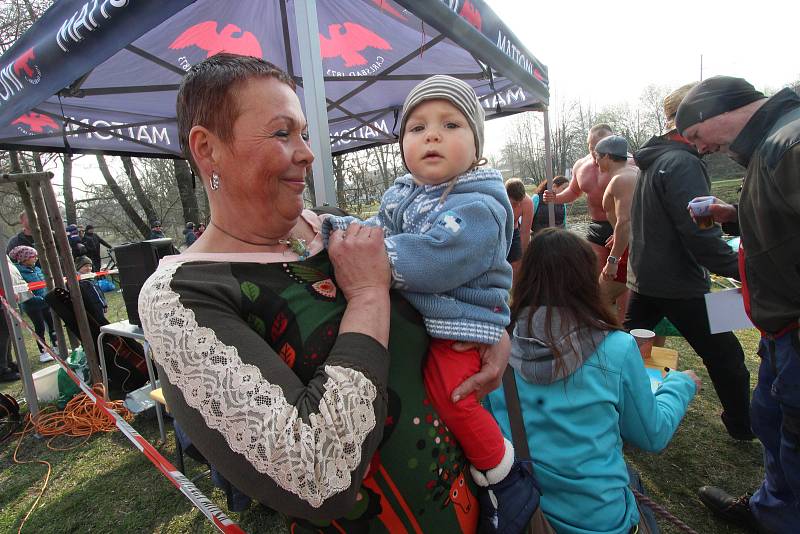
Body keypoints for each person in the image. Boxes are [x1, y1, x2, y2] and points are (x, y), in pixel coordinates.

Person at [138, 54, 508, 532]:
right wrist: (370, 297)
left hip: (472, 509)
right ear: (208, 148)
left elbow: (447, 269)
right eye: (281, 133)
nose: (309, 152)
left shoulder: (332, 229)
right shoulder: (183, 295)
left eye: (305, 133)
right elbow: (317, 477)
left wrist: (493, 328)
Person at [322, 75, 539, 532]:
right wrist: (334, 227)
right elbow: (375, 229)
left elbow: (441, 256)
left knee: (453, 396)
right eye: (416, 128)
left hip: (463, 320)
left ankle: (504, 478)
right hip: (431, 314)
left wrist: (373, 260)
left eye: (451, 125)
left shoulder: (481, 203)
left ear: (477, 146)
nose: (432, 135)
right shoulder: (403, 192)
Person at [486, 228, 700, 534]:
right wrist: (681, 385)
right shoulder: (616, 347)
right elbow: (652, 435)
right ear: (586, 280)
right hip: (602, 522)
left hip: (523, 512)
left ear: (526, 278)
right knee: (631, 479)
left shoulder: (497, 345)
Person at [676, 75, 800, 534]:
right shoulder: (774, 142)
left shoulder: (790, 143)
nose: (700, 149)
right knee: (771, 423)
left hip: (795, 332)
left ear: (713, 113)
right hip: (778, 329)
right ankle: (774, 511)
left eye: (695, 136)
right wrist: (734, 215)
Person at [626, 82, 753, 443]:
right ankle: (742, 425)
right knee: (725, 356)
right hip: (677, 281)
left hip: (647, 276)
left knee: (643, 345)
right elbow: (700, 233)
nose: (709, 146)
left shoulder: (656, 161)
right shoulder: (682, 163)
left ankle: (646, 406)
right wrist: (739, 266)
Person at [543, 123, 621, 273]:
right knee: (595, 275)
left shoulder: (628, 164)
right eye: (591, 147)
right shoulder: (581, 165)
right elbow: (573, 191)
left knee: (620, 281)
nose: (594, 152)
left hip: (621, 225)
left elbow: (639, 202)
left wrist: (625, 229)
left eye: (599, 147)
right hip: (596, 225)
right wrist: (555, 198)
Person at [596, 135, 637, 320]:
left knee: (598, 298)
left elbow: (626, 221)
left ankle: (603, 341)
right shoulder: (632, 173)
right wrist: (617, 234)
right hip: (630, 243)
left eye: (597, 156)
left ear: (607, 156)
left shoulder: (622, 179)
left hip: (629, 249)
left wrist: (613, 260)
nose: (595, 160)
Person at [9, 245, 56, 362]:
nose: (36, 258)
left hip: (45, 302)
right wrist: (39, 299)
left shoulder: (38, 269)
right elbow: (24, 291)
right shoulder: (19, 272)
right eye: (33, 256)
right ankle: (43, 352)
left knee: (52, 324)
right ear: (24, 259)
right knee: (39, 327)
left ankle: (56, 345)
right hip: (32, 305)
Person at [0, 257, 33, 382]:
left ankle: (7, 363)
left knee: (7, 334)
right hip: (2, 300)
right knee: (2, 336)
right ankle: (2, 369)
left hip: (5, 299)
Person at [504, 178, 533, 269]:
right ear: (505, 196)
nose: (518, 206)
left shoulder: (527, 202)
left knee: (517, 264)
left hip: (514, 231)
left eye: (520, 202)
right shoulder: (498, 200)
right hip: (499, 231)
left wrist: (524, 255)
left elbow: (525, 232)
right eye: (514, 203)